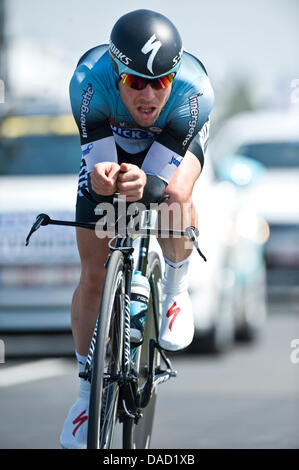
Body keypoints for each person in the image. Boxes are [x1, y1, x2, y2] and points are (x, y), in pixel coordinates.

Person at [60, 9, 214, 448]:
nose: (148, 94)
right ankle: (86, 394)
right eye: (135, 82)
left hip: (173, 142)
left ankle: (175, 291)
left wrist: (145, 183)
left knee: (174, 197)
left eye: (160, 81)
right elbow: (98, 173)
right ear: (116, 72)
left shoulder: (194, 91)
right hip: (113, 142)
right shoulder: (89, 80)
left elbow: (159, 183)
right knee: (93, 271)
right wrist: (104, 182)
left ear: (174, 76)